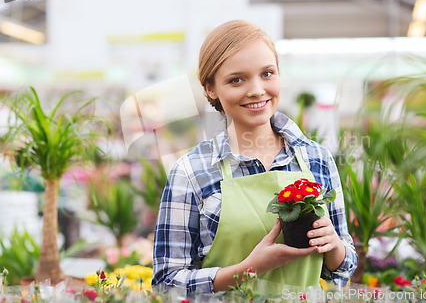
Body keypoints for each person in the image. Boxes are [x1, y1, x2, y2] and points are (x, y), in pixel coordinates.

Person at [152, 20, 358, 294]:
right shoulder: (191, 171)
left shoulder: (316, 159)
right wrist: (249, 269)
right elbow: (166, 282)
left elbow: (343, 269)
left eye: (267, 73)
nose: (257, 90)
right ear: (211, 89)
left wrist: (333, 244)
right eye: (236, 79)